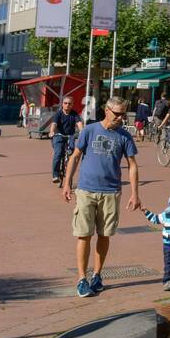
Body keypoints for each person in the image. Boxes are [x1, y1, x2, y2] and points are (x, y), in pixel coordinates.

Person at [62, 95, 140, 298]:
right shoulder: (89, 130)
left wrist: (135, 193)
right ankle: (81, 279)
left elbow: (132, 165)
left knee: (104, 235)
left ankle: (97, 275)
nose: (121, 118)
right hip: (86, 190)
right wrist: (67, 183)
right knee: (84, 234)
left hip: (111, 192)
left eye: (123, 115)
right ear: (107, 110)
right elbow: (75, 157)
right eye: (117, 114)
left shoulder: (124, 136)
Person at [39, 95, 84, 186]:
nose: (67, 105)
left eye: (69, 104)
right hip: (58, 136)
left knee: (72, 153)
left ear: (72, 105)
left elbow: (79, 123)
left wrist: (82, 132)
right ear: (62, 104)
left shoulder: (74, 114)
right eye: (65, 103)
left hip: (70, 136)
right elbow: (54, 123)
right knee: (58, 153)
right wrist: (51, 131)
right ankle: (55, 175)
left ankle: (69, 174)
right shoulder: (58, 114)